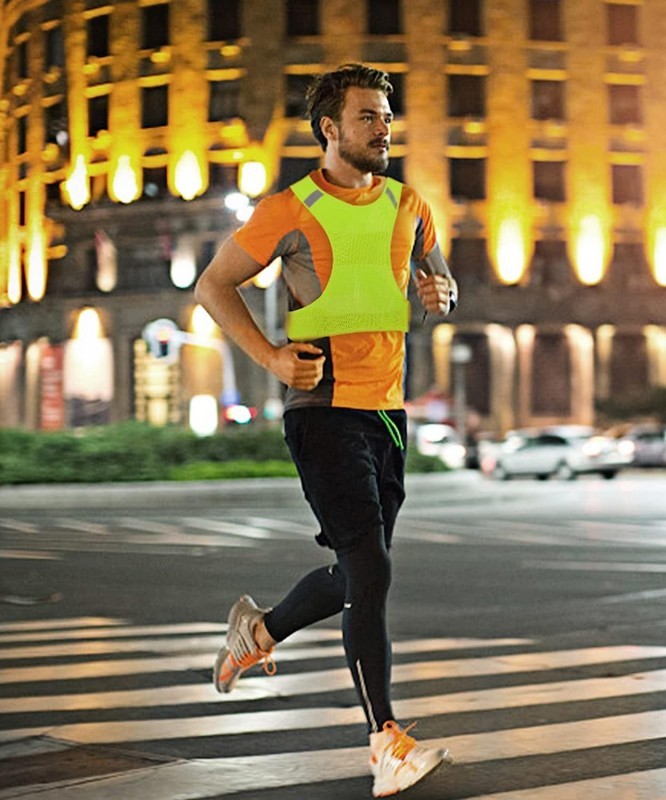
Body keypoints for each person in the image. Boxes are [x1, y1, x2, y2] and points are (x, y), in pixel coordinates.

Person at [194, 63, 458, 798]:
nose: (384, 128)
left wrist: (443, 290)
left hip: (388, 414)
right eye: (369, 117)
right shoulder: (289, 208)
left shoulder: (411, 204)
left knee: (354, 572)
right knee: (371, 569)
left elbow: (439, 279)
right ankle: (386, 741)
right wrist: (270, 356)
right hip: (324, 413)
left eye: (387, 115)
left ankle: (261, 630)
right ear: (330, 129)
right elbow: (213, 286)